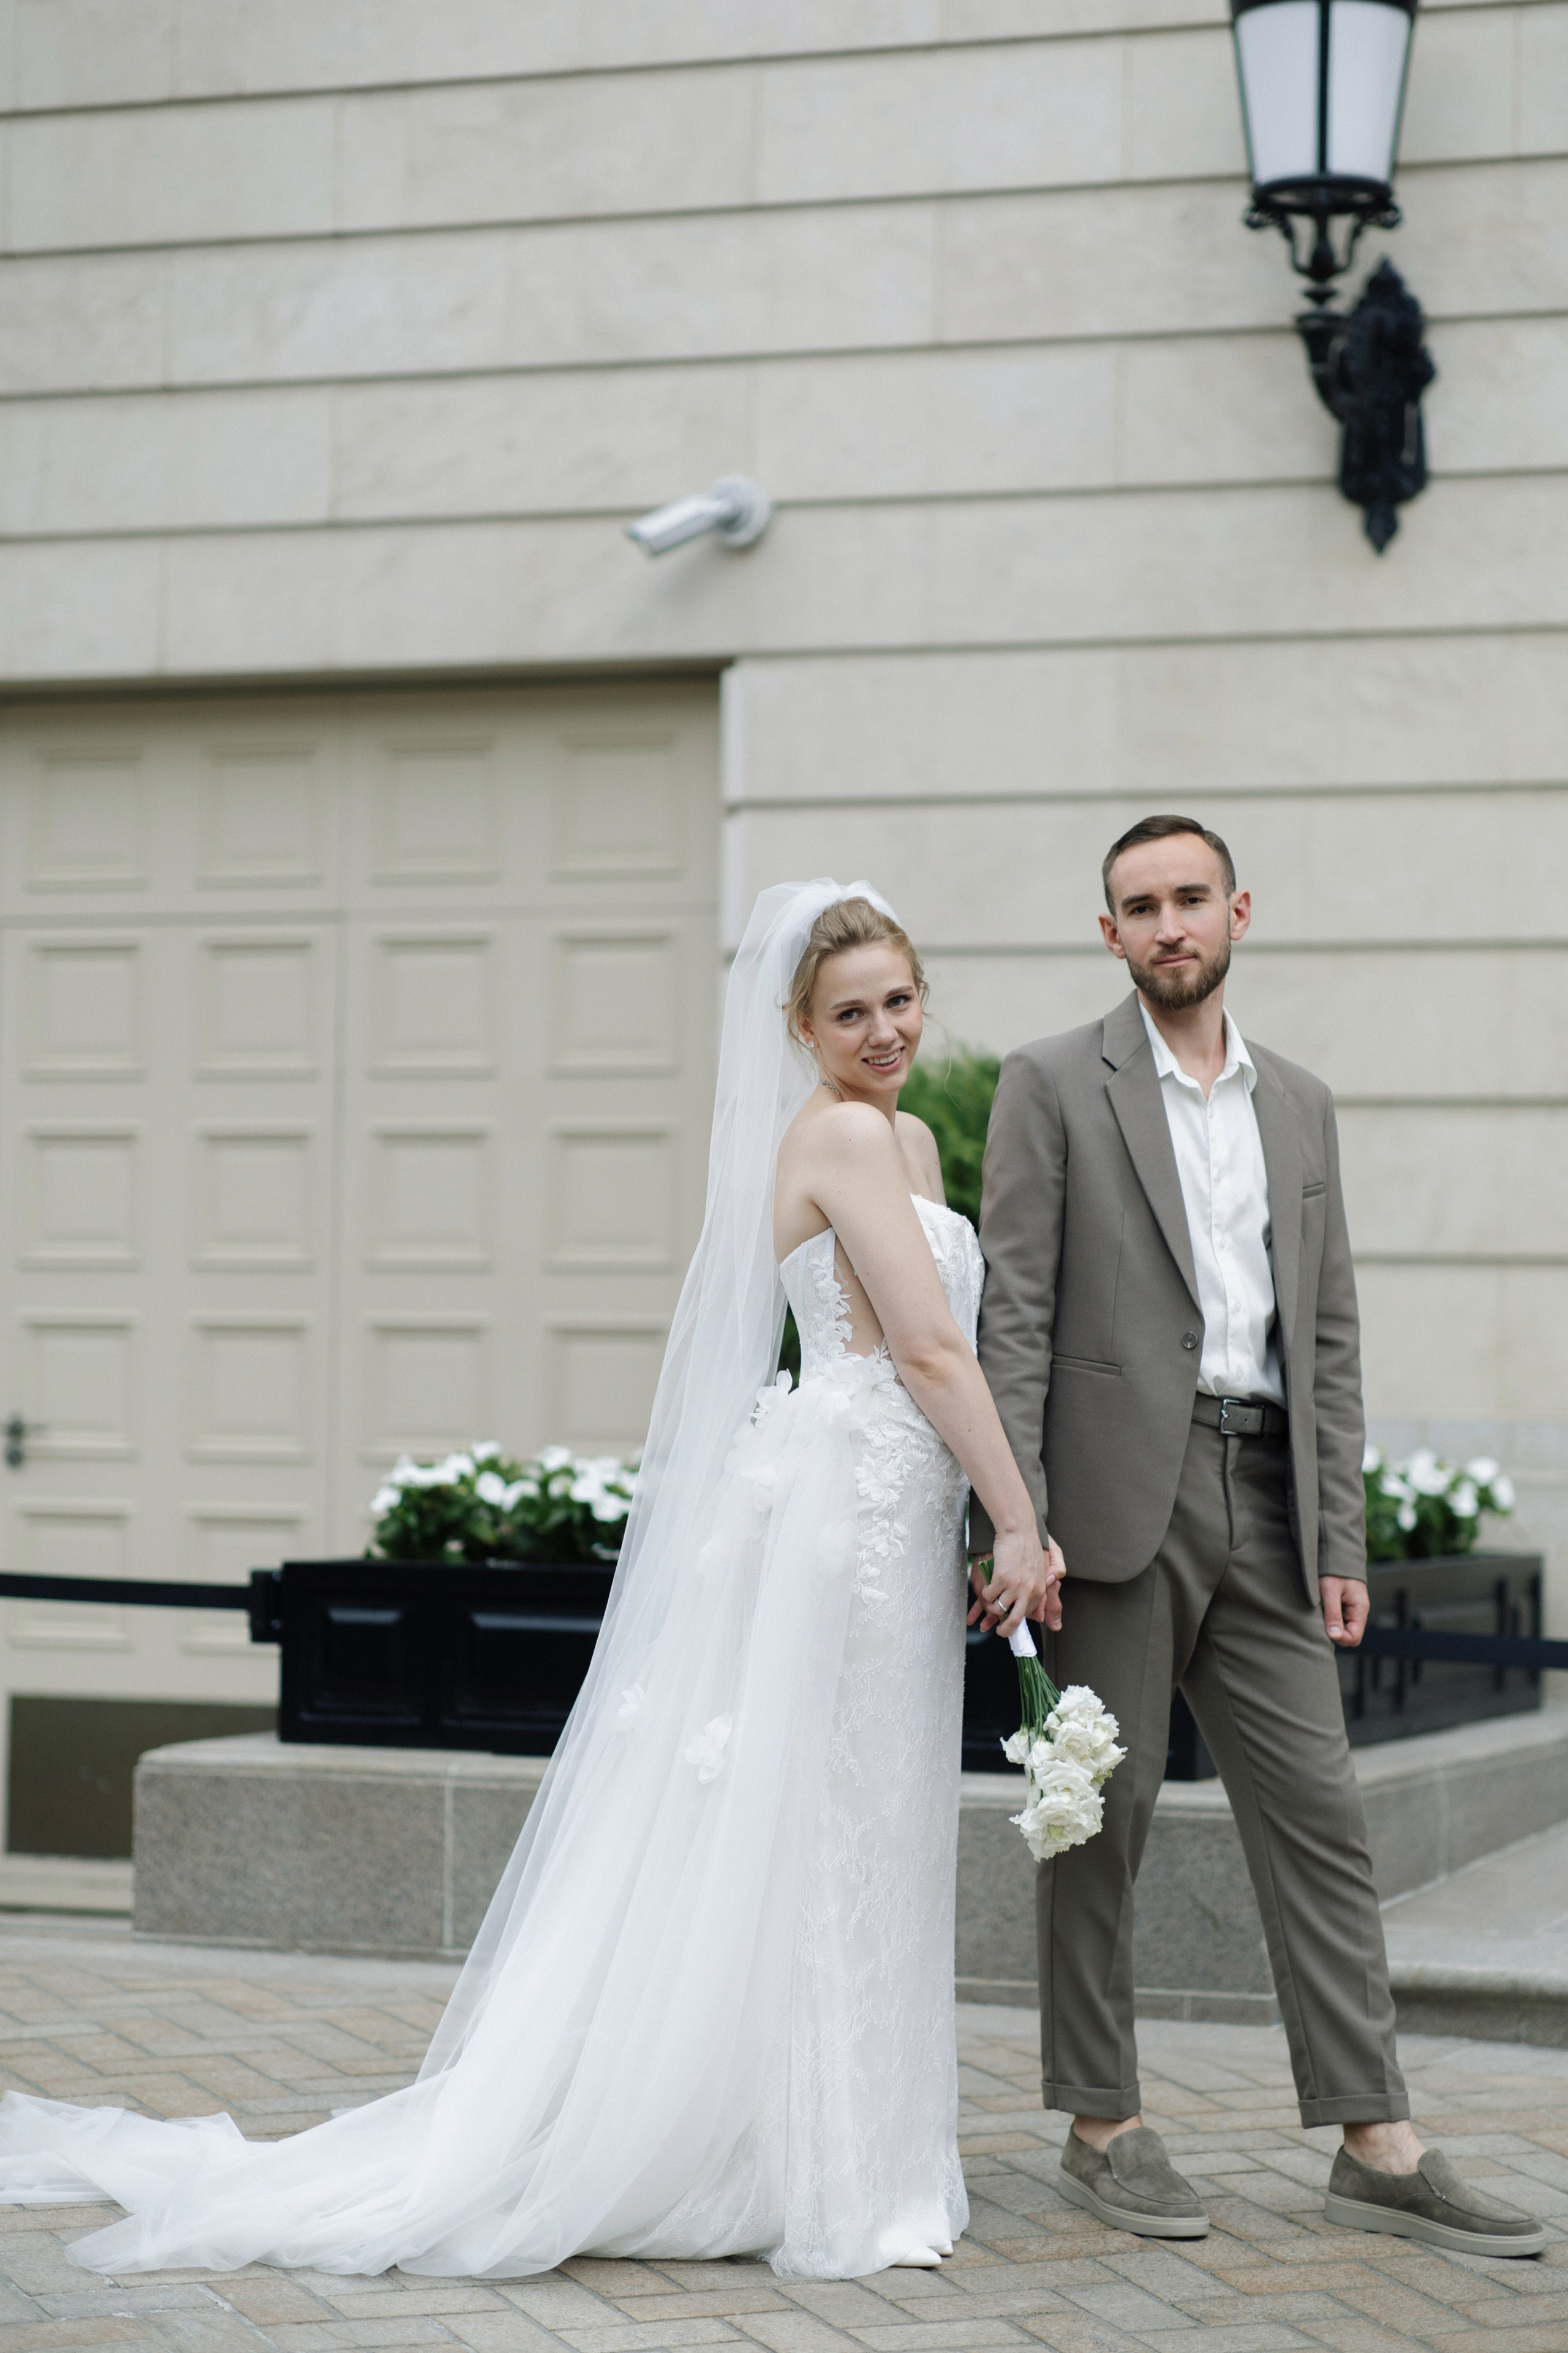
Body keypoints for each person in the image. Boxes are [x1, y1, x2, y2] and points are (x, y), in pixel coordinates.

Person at [0, 880, 1058, 2283]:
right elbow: (923, 1352)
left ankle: (857, 2146)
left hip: (883, 1505)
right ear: (797, 1028)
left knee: (871, 1823)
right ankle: (817, 2167)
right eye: (848, 1011)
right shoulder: (844, 1133)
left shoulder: (908, 1131)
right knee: (830, 1830)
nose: (881, 1031)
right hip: (845, 1514)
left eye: (898, 1002)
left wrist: (963, 1514)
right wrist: (1020, 1521)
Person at [970, 814, 1545, 2258]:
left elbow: (1327, 1329)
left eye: (1186, 899)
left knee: (1322, 1817)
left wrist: (1338, 1532)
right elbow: (1016, 1314)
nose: (1165, 925)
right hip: (1110, 1502)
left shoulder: (1298, 1102)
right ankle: (1100, 2121)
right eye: (1135, 906)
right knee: (1098, 1820)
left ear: (1237, 911)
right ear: (1108, 934)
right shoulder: (1053, 1084)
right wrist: (1013, 1520)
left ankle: (1375, 2136)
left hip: (1269, 1501)